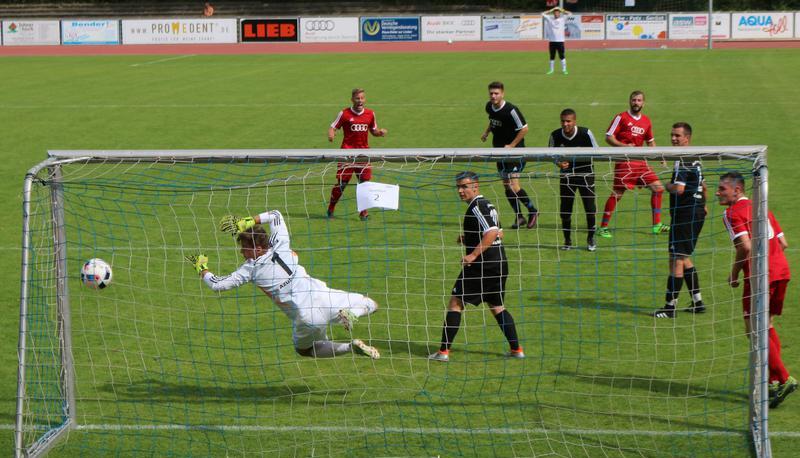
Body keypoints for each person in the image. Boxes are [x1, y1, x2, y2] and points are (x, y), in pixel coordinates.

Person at [186, 210, 381, 359]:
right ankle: (353, 314)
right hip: (325, 296)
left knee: (304, 350)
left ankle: (349, 347)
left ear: (259, 248)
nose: (242, 253)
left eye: (245, 249)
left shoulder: (250, 270)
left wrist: (201, 268)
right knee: (371, 304)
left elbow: (217, 285)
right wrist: (244, 222)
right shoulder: (281, 242)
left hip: (307, 315)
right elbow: (276, 214)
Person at [717, 172, 797, 407]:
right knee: (767, 325)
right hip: (781, 270)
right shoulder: (762, 207)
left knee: (754, 330)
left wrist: (733, 274)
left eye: (722, 188)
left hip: (760, 275)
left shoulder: (731, 213)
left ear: (737, 190)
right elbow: (783, 243)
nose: (718, 192)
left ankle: (784, 378)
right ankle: (773, 381)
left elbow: (745, 247)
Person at [429, 171, 524, 362]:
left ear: (475, 186)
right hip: (499, 263)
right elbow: (500, 234)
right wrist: (469, 238)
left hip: (483, 265)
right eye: (458, 187)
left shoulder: (476, 207)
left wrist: (473, 254)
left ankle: (443, 352)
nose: (460, 191)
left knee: (456, 303)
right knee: (497, 306)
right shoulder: (487, 204)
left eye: (464, 186)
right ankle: (517, 350)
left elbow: (491, 232)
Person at [652, 123, 707, 318]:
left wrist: (667, 186)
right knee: (684, 258)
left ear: (687, 138)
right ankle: (698, 302)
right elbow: (703, 184)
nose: (673, 138)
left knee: (675, 259)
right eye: (672, 135)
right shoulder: (695, 158)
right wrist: (703, 205)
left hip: (686, 214)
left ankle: (670, 307)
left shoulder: (683, 159)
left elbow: (680, 189)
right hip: (695, 212)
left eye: (677, 136)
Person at [597, 90, 667, 239]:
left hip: (641, 162)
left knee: (658, 188)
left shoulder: (646, 121)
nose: (636, 103)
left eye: (639, 100)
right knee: (618, 194)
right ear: (630, 101)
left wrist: (660, 156)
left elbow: (650, 141)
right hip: (625, 162)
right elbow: (608, 137)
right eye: (634, 100)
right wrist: (624, 147)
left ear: (643, 103)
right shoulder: (621, 117)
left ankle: (657, 225)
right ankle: (602, 227)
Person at [481, 81, 538, 229]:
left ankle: (533, 211)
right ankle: (519, 216)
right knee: (506, 185)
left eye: (496, 93)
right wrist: (487, 132)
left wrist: (512, 145)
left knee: (514, 184)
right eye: (491, 93)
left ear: (502, 93)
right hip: (500, 152)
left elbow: (524, 129)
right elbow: (493, 121)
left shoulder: (511, 110)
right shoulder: (489, 107)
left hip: (516, 153)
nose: (493, 96)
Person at [327, 88, 388, 220]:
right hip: (347, 155)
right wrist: (331, 134)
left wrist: (380, 133)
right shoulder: (344, 114)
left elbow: (373, 131)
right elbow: (333, 126)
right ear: (352, 99)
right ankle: (331, 209)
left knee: (364, 184)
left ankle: (363, 213)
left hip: (364, 155)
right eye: (357, 98)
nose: (360, 101)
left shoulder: (370, 114)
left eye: (362, 98)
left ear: (365, 99)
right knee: (342, 184)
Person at [548, 108, 598, 251]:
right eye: (563, 121)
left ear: (575, 121)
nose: (565, 124)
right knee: (565, 210)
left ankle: (590, 238)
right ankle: (567, 240)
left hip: (585, 175)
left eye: (568, 121)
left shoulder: (585, 133)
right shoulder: (555, 135)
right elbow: (550, 153)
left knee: (590, 209)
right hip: (567, 176)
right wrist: (558, 163)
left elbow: (598, 151)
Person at [542, 7, 570, 75]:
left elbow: (570, 13)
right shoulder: (550, 19)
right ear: (553, 13)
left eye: (557, 12)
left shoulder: (562, 19)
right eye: (555, 13)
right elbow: (542, 14)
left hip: (560, 41)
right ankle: (551, 70)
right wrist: (551, 10)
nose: (556, 14)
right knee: (552, 56)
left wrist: (562, 10)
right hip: (552, 41)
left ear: (559, 13)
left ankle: (564, 70)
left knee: (562, 56)